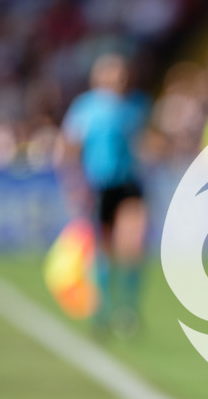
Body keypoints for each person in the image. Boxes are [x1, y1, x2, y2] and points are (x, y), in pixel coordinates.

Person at [56, 52, 151, 339]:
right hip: (98, 185)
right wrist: (74, 184)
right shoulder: (85, 108)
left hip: (129, 183)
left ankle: (128, 310)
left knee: (132, 245)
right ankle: (102, 310)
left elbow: (145, 142)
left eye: (121, 73)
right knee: (102, 251)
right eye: (112, 73)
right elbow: (70, 147)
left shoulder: (136, 106)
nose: (118, 79)